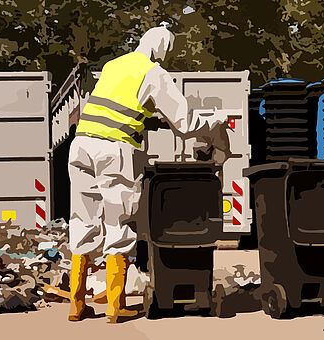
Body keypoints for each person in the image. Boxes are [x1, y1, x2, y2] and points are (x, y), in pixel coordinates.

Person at [67, 26, 227, 323]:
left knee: (83, 220)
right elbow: (185, 122)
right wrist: (216, 122)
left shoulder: (114, 66)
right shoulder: (153, 73)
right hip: (114, 150)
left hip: (81, 146)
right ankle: (116, 307)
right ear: (162, 49)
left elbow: (116, 105)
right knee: (119, 221)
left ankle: (77, 305)